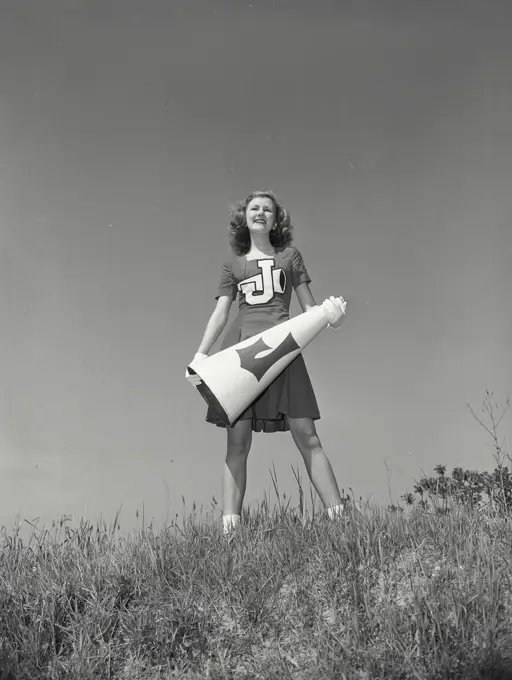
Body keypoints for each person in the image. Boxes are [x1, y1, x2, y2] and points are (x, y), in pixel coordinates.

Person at [186, 190, 347, 535]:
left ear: (276, 220)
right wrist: (201, 355)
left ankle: (341, 522)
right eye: (254, 208)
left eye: (268, 210)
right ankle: (229, 535)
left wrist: (332, 317)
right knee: (238, 442)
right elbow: (220, 312)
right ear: (244, 217)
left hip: (285, 350)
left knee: (308, 435)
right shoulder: (232, 265)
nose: (260, 213)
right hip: (240, 356)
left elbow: (310, 309)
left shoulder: (290, 257)